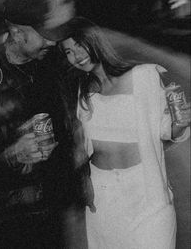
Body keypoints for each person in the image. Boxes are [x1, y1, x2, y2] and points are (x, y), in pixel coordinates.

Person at [0, 0, 79, 249]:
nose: (52, 42)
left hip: (51, 210)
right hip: (5, 217)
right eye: (44, 36)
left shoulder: (54, 64)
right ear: (16, 32)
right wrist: (10, 154)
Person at [59, 16, 190, 249]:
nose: (77, 55)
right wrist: (82, 178)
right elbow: (81, 147)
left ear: (95, 41)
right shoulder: (81, 92)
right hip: (104, 196)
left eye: (80, 45)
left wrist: (181, 123)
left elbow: (165, 131)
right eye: (69, 51)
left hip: (147, 196)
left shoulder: (143, 76)